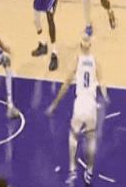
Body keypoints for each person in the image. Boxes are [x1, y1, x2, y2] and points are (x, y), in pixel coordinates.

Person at [46, 37, 109, 186]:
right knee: (91, 138)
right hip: (91, 104)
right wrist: (105, 98)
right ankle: (89, 171)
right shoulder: (95, 61)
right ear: (90, 45)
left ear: (80, 45)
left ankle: (72, 169)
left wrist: (54, 104)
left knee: (73, 135)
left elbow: (66, 84)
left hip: (80, 103)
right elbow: (102, 83)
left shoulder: (77, 60)